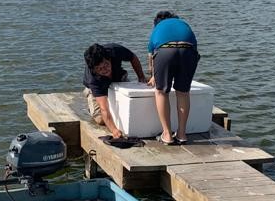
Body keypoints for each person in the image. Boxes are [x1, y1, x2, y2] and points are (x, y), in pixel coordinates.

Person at [147, 11, 199, 145]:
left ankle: (167, 134)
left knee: (161, 92)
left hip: (165, 50)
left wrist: (154, 76)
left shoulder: (157, 28)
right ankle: (182, 134)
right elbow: (194, 48)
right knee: (183, 92)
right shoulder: (182, 23)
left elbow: (151, 56)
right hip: (188, 50)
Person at [83, 43, 146, 140]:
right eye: (100, 69)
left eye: (106, 65)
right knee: (100, 119)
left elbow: (133, 57)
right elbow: (104, 109)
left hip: (118, 77)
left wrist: (141, 77)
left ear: (109, 59)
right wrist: (114, 130)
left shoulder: (115, 50)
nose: (105, 70)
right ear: (94, 70)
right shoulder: (93, 79)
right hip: (99, 85)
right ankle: (90, 105)